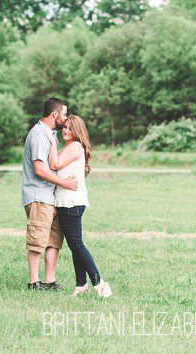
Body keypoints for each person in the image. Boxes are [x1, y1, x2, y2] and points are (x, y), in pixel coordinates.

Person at [43, 115, 112, 298]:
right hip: (67, 201)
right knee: (74, 245)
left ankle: (99, 282)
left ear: (77, 131)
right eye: (64, 127)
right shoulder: (70, 146)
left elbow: (54, 164)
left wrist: (51, 141)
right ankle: (81, 284)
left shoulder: (74, 146)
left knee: (77, 244)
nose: (65, 130)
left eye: (69, 128)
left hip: (71, 202)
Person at [21, 97, 78, 291]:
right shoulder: (39, 134)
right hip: (39, 197)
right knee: (37, 240)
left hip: (51, 198)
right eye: (63, 113)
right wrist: (64, 183)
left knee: (54, 241)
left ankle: (49, 281)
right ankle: (34, 283)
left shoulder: (50, 135)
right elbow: (39, 169)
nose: (65, 117)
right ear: (55, 114)